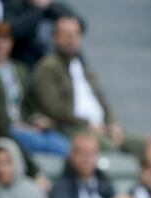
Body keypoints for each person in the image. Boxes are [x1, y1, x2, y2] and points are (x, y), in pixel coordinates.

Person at [30, 15, 140, 154]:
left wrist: (113, 124)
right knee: (111, 148)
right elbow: (54, 108)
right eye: (66, 34)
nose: (71, 39)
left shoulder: (84, 68)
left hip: (101, 128)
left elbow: (102, 100)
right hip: (70, 128)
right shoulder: (47, 67)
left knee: (150, 147)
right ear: (55, 37)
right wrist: (88, 124)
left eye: (75, 34)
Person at [0, 21, 70, 157]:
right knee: (37, 143)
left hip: (25, 125)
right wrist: (13, 124)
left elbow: (29, 102)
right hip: (2, 128)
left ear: (10, 43)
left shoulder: (19, 69)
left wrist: (35, 119)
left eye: (3, 41)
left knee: (63, 144)